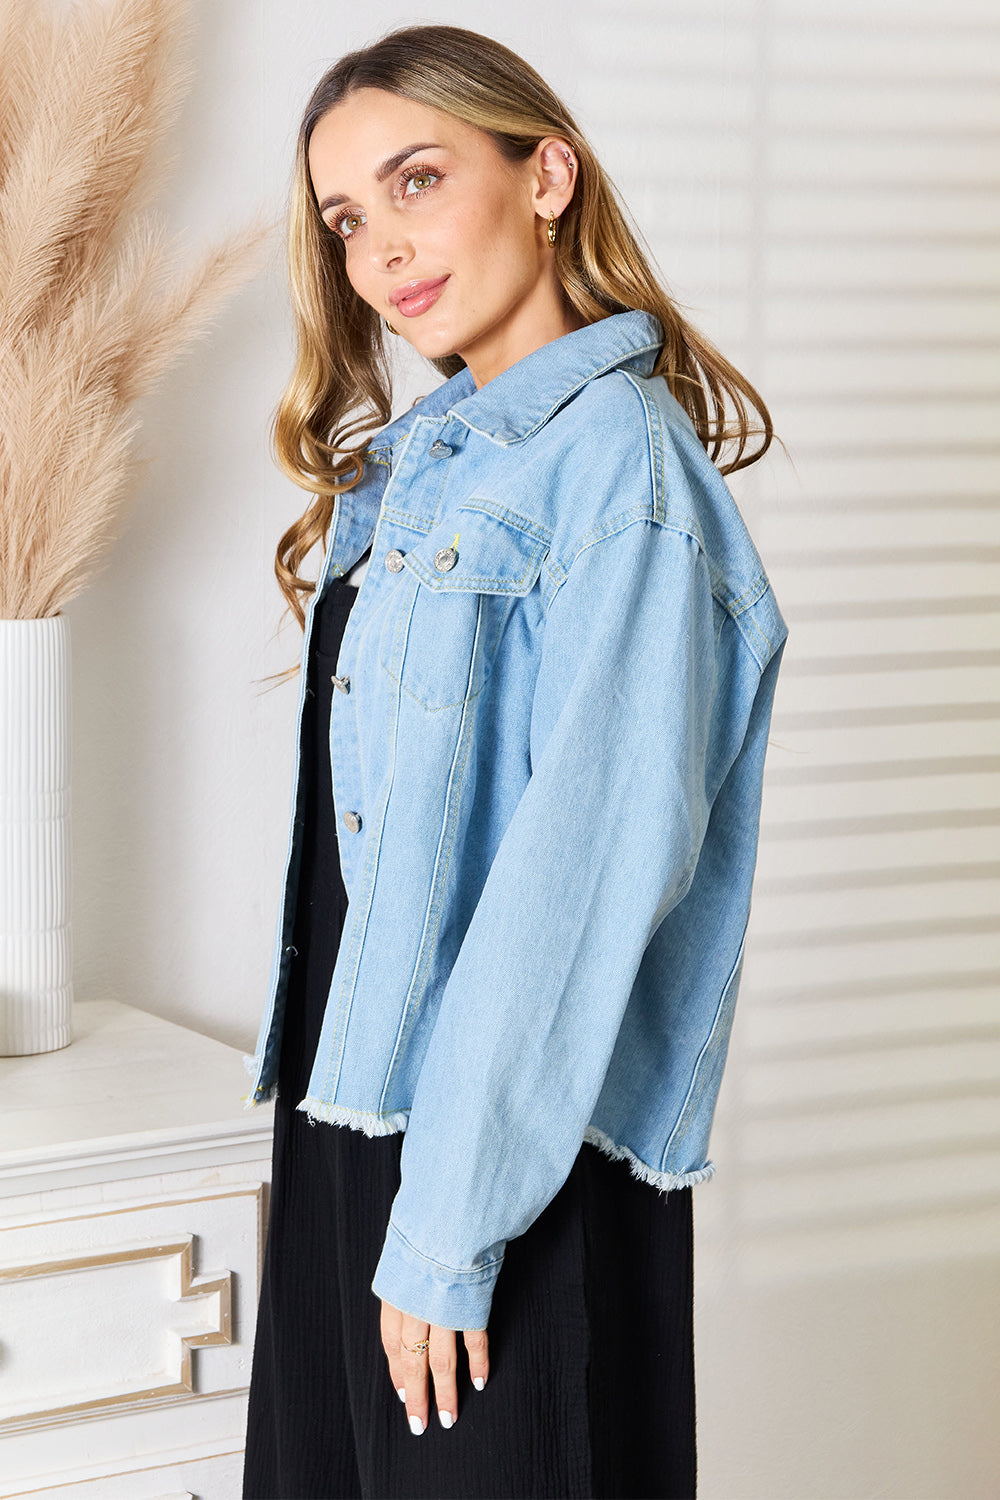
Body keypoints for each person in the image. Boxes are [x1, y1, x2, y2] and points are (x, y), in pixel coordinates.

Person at [240, 22, 787, 1500]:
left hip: (506, 1177)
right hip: (361, 1128)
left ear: (544, 175)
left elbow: (581, 883)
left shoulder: (624, 473)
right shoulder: (432, 463)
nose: (382, 250)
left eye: (419, 181)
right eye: (349, 218)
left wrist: (449, 1226)